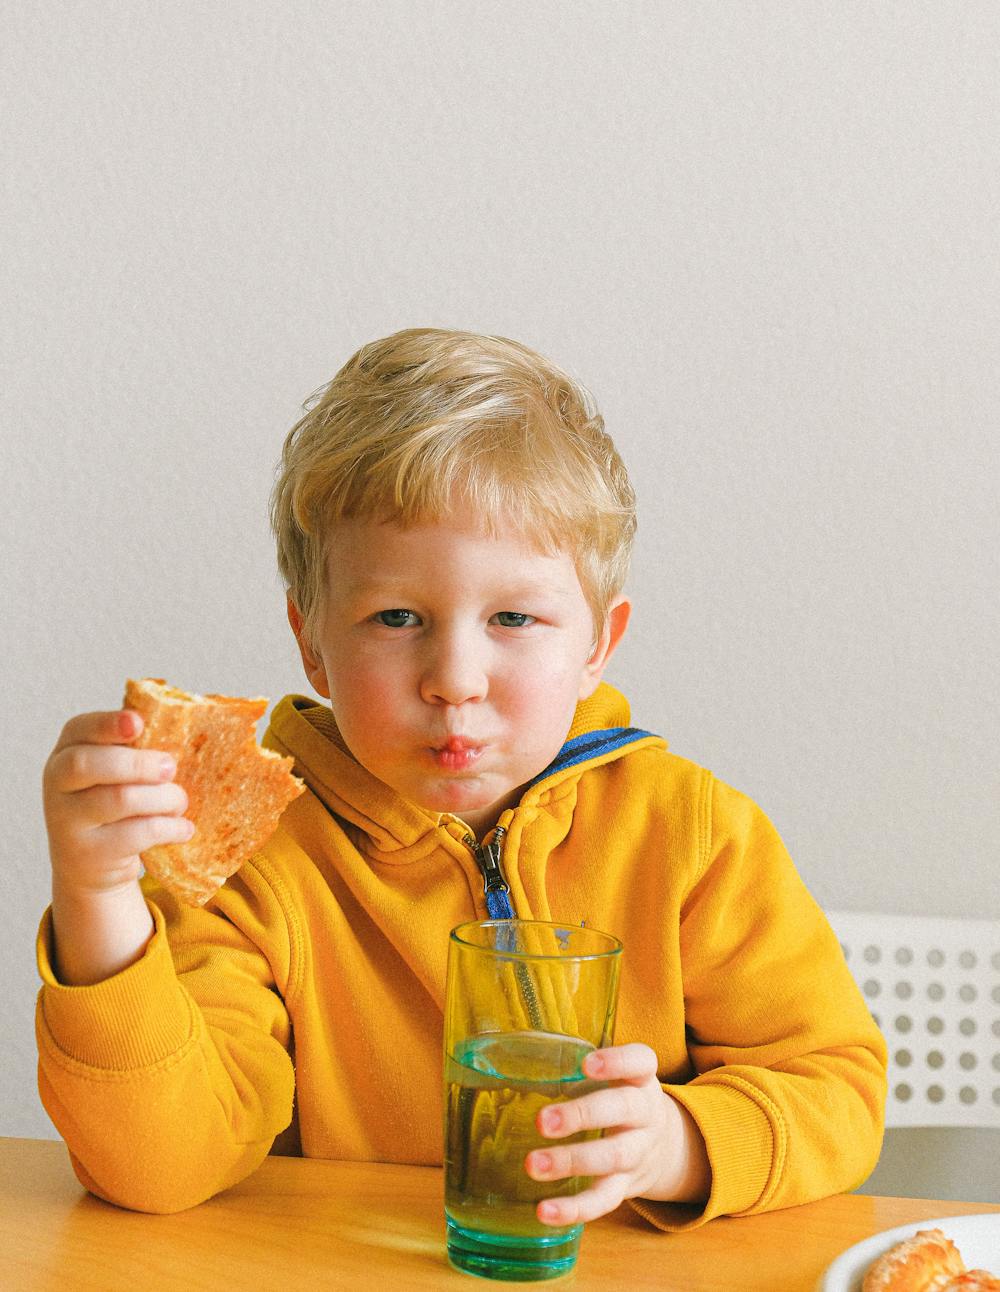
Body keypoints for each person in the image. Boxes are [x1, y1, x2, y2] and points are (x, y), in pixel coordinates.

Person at [37, 327, 887, 1228]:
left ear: (597, 644)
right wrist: (97, 900)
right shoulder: (257, 863)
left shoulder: (692, 837)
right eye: (396, 616)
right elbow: (159, 1166)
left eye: (514, 617)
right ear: (311, 643)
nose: (455, 677)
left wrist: (678, 1143)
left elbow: (834, 1085)